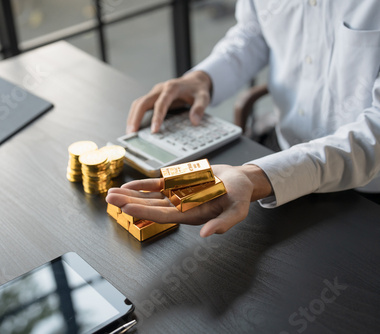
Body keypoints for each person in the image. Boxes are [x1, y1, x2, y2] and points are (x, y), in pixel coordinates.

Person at [106, 0, 380, 237]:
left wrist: (254, 177)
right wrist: (203, 78)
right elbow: (254, 33)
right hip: (277, 158)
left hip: (367, 190)